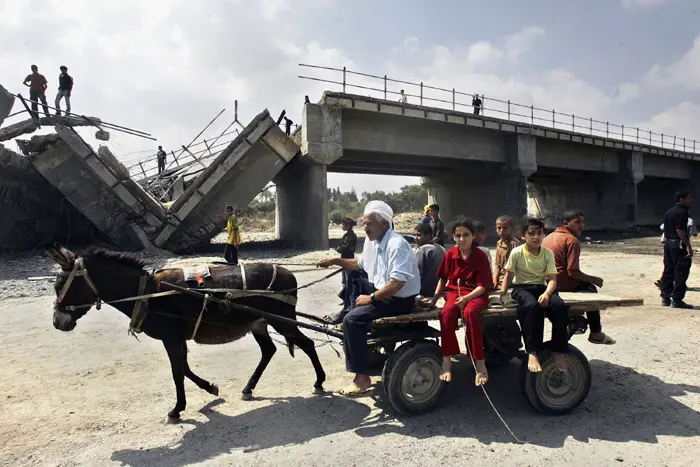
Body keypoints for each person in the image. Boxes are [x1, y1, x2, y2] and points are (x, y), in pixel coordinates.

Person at [317, 200, 421, 397]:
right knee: (352, 274)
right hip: (383, 292)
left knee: (352, 321)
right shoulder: (372, 243)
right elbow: (359, 264)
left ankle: (361, 378)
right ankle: (349, 310)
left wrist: (371, 298)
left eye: (368, 223)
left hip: (398, 299)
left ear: (383, 224)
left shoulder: (396, 244)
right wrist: (335, 261)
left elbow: (397, 283)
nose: (364, 227)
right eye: (363, 223)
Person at [500, 217, 568, 373]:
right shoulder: (517, 252)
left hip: (542, 288)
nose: (536, 237)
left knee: (559, 307)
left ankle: (557, 350)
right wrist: (502, 294)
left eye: (539, 233)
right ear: (524, 236)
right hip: (521, 288)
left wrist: (547, 294)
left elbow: (552, 280)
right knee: (531, 307)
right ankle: (532, 351)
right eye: (531, 233)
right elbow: (509, 276)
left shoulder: (547, 254)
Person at [431, 217, 492, 386]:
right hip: (454, 293)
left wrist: (467, 298)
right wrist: (434, 300)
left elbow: (483, 286)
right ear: (453, 237)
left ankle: (480, 363)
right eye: (458, 235)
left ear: (473, 236)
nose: (462, 239)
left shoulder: (480, 256)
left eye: (466, 235)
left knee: (470, 313)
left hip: (476, 294)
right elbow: (443, 280)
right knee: (446, 313)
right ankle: (447, 359)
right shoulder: (450, 254)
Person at [542, 210, 615, 345]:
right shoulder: (572, 240)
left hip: (545, 282)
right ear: (566, 223)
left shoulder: (548, 237)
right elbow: (572, 272)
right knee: (590, 288)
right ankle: (596, 332)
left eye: (582, 222)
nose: (581, 226)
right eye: (577, 222)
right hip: (561, 283)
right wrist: (594, 279)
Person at [660, 191, 694, 308]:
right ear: (681, 199)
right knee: (681, 271)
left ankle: (665, 297)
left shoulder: (669, 212)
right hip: (678, 245)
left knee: (668, 270)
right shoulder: (683, 212)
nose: (691, 200)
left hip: (668, 245)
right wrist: (688, 246)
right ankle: (677, 300)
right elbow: (680, 230)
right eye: (688, 198)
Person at [655, 217, 697, 288]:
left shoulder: (671, 217)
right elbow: (694, 233)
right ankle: (674, 283)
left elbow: (662, 227)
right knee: (680, 266)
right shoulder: (689, 220)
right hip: (681, 245)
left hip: (668, 243)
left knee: (669, 264)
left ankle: (663, 281)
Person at [414, 223, 446, 298]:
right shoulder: (441, 248)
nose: (415, 238)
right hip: (440, 288)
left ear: (428, 236)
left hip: (426, 290)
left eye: (418, 235)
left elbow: (417, 273)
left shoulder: (423, 249)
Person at [493, 215, 520, 290]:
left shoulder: (514, 244)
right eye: (499, 228)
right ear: (496, 229)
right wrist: (494, 279)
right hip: (502, 277)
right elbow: (497, 265)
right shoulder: (499, 243)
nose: (501, 230)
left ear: (511, 229)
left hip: (512, 277)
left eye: (505, 228)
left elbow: (516, 268)